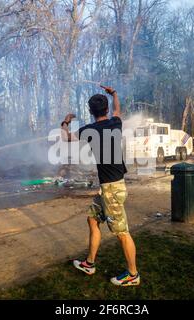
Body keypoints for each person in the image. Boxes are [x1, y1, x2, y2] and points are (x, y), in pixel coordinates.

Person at [60, 85, 140, 286]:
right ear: (105, 109)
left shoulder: (89, 130)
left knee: (122, 232)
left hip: (112, 190)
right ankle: (89, 263)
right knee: (92, 219)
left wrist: (66, 121)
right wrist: (114, 93)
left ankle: (133, 274)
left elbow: (66, 138)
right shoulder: (116, 123)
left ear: (90, 111)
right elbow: (117, 110)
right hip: (109, 188)